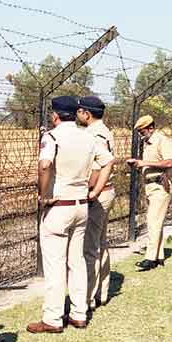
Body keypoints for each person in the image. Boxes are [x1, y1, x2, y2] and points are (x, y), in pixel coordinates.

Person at [28, 96, 114, 334]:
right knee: (77, 261)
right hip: (81, 205)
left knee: (55, 264)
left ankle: (53, 318)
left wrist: (43, 194)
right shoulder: (89, 136)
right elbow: (108, 162)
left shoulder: (52, 136)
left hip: (59, 205)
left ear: (55, 115)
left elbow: (45, 165)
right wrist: (95, 190)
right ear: (75, 113)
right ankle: (79, 313)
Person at [77, 96, 116, 310]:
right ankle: (102, 291)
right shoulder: (106, 130)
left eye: (80, 111)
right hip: (106, 192)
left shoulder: (94, 134)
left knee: (90, 248)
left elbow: (99, 166)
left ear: (86, 114)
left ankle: (88, 298)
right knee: (101, 243)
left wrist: (90, 190)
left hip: (98, 193)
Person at [126, 115, 172, 271]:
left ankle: (150, 258)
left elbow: (169, 162)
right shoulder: (147, 142)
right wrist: (137, 163)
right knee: (156, 222)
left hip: (160, 185)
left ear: (150, 128)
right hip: (150, 186)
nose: (141, 134)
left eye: (142, 131)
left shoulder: (162, 140)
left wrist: (144, 163)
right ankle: (159, 256)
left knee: (153, 222)